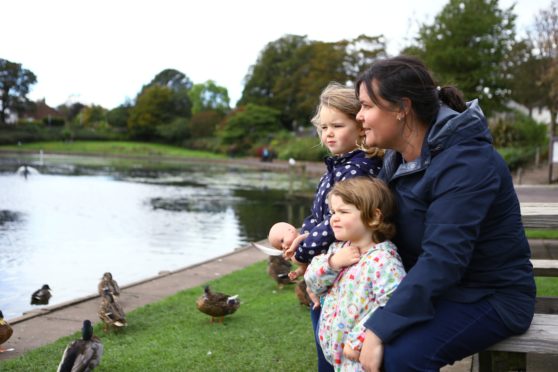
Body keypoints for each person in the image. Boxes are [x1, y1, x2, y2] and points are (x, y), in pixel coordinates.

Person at [354, 55, 536, 371]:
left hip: (489, 295)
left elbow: (444, 258)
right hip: (438, 288)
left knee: (400, 356)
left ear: (401, 108)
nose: (359, 116)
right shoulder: (397, 160)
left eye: (367, 106)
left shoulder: (466, 161)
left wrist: (380, 327)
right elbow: (372, 220)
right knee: (330, 312)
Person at [283, 81, 383, 371]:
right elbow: (316, 216)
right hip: (329, 268)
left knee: (338, 344)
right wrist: (301, 235)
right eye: (324, 127)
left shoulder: (359, 169)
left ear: (360, 126)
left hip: (348, 270)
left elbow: (331, 224)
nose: (328, 133)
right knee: (323, 333)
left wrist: (303, 253)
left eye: (337, 126)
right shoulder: (337, 167)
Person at [304, 177, 405, 371]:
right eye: (333, 212)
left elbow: (393, 305)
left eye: (343, 211)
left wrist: (359, 339)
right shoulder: (338, 249)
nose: (333, 218)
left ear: (374, 217)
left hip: (358, 358)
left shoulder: (383, 261)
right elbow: (313, 282)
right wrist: (333, 262)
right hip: (335, 357)